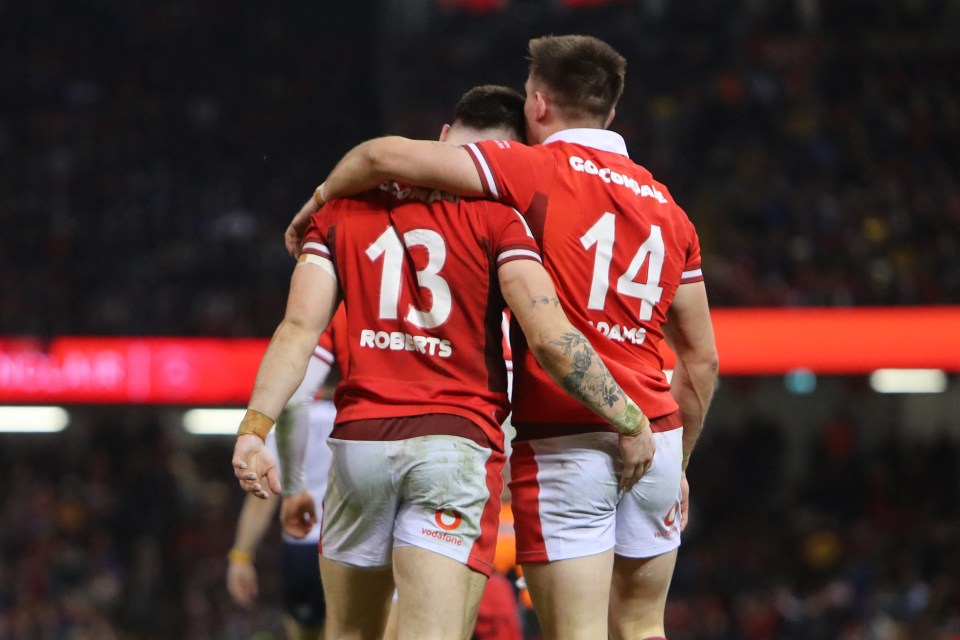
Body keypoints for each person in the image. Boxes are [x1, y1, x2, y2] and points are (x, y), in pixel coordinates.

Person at [284, 35, 720, 640]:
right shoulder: (671, 210)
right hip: (660, 437)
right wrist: (679, 462)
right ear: (612, 111)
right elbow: (701, 359)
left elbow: (380, 158)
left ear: (537, 106)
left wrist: (317, 202)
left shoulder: (531, 167)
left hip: (567, 439)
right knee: (644, 626)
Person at [227, 308, 347, 639]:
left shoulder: (291, 418)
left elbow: (263, 496)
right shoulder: (363, 415)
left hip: (303, 543)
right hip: (355, 541)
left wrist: (240, 555)